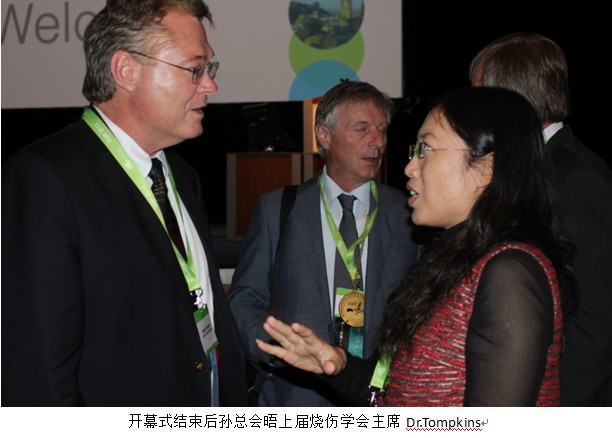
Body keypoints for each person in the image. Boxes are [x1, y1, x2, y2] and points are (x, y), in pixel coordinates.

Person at [256, 86, 577, 407]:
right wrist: (338, 365)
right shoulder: (451, 263)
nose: (409, 167)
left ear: (485, 168)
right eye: (415, 149)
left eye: (426, 149)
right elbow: (394, 395)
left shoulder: (510, 274)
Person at [1, 0, 248, 407]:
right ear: (126, 71)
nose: (210, 86)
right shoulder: (45, 178)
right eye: (194, 69)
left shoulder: (182, 176)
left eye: (210, 69)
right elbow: (38, 372)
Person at [227, 80, 420, 406]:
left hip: (380, 398)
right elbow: (244, 299)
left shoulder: (409, 214)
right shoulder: (277, 209)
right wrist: (280, 353)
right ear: (324, 135)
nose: (377, 142)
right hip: (295, 398)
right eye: (362, 129)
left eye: (382, 130)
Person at [469, 32, 612, 406]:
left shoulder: (578, 179)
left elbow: (593, 324)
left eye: (480, 96)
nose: (471, 112)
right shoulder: (528, 169)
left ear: (512, 99)